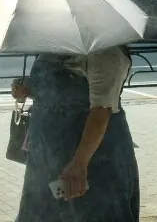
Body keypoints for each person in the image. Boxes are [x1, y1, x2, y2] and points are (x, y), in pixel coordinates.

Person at [11, 45, 140, 221]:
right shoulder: (53, 45)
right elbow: (53, 93)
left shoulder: (105, 51)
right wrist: (25, 89)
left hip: (93, 160)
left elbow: (101, 111)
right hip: (46, 160)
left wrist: (79, 164)